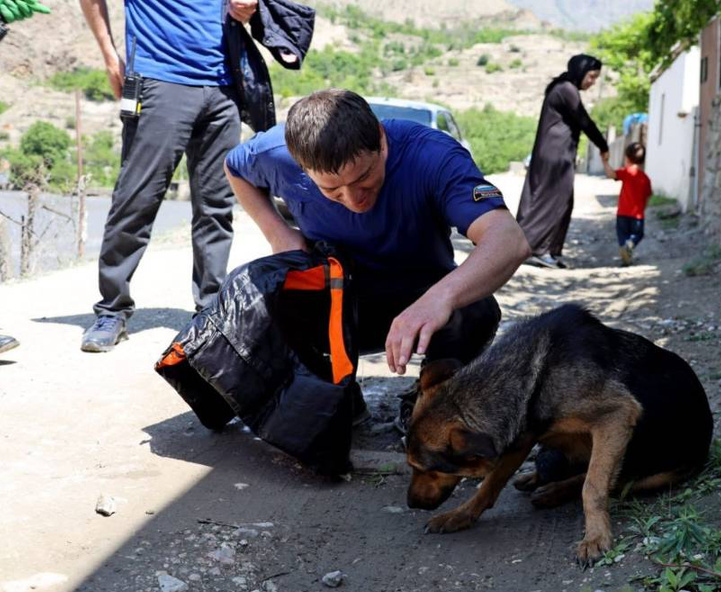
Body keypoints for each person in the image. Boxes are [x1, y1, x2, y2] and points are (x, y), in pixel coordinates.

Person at [224, 89, 530, 426]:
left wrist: (439, 299)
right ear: (301, 167)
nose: (354, 199)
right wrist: (277, 233)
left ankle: (427, 401)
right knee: (270, 297)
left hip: (418, 297)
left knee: (477, 309)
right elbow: (234, 168)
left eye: (364, 178)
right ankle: (338, 393)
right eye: (332, 190)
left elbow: (508, 240)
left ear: (381, 142)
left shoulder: (432, 156)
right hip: (340, 302)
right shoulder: (275, 153)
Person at [78, 0, 259, 352]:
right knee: (137, 199)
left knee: (216, 207)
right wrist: (109, 55)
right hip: (160, 80)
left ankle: (211, 309)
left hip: (225, 87)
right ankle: (112, 310)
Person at [517, 53, 610, 269]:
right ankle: (535, 248)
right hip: (556, 155)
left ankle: (548, 249)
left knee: (561, 200)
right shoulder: (567, 89)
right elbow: (585, 121)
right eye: (591, 76)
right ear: (581, 71)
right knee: (552, 200)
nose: (592, 82)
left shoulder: (563, 88)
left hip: (555, 153)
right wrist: (603, 146)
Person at [602, 142, 652, 266]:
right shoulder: (645, 178)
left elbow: (610, 174)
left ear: (627, 158)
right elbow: (648, 196)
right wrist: (643, 208)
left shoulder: (626, 173)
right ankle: (629, 249)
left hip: (622, 213)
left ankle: (625, 249)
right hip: (637, 216)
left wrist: (605, 162)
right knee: (638, 234)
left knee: (622, 235)